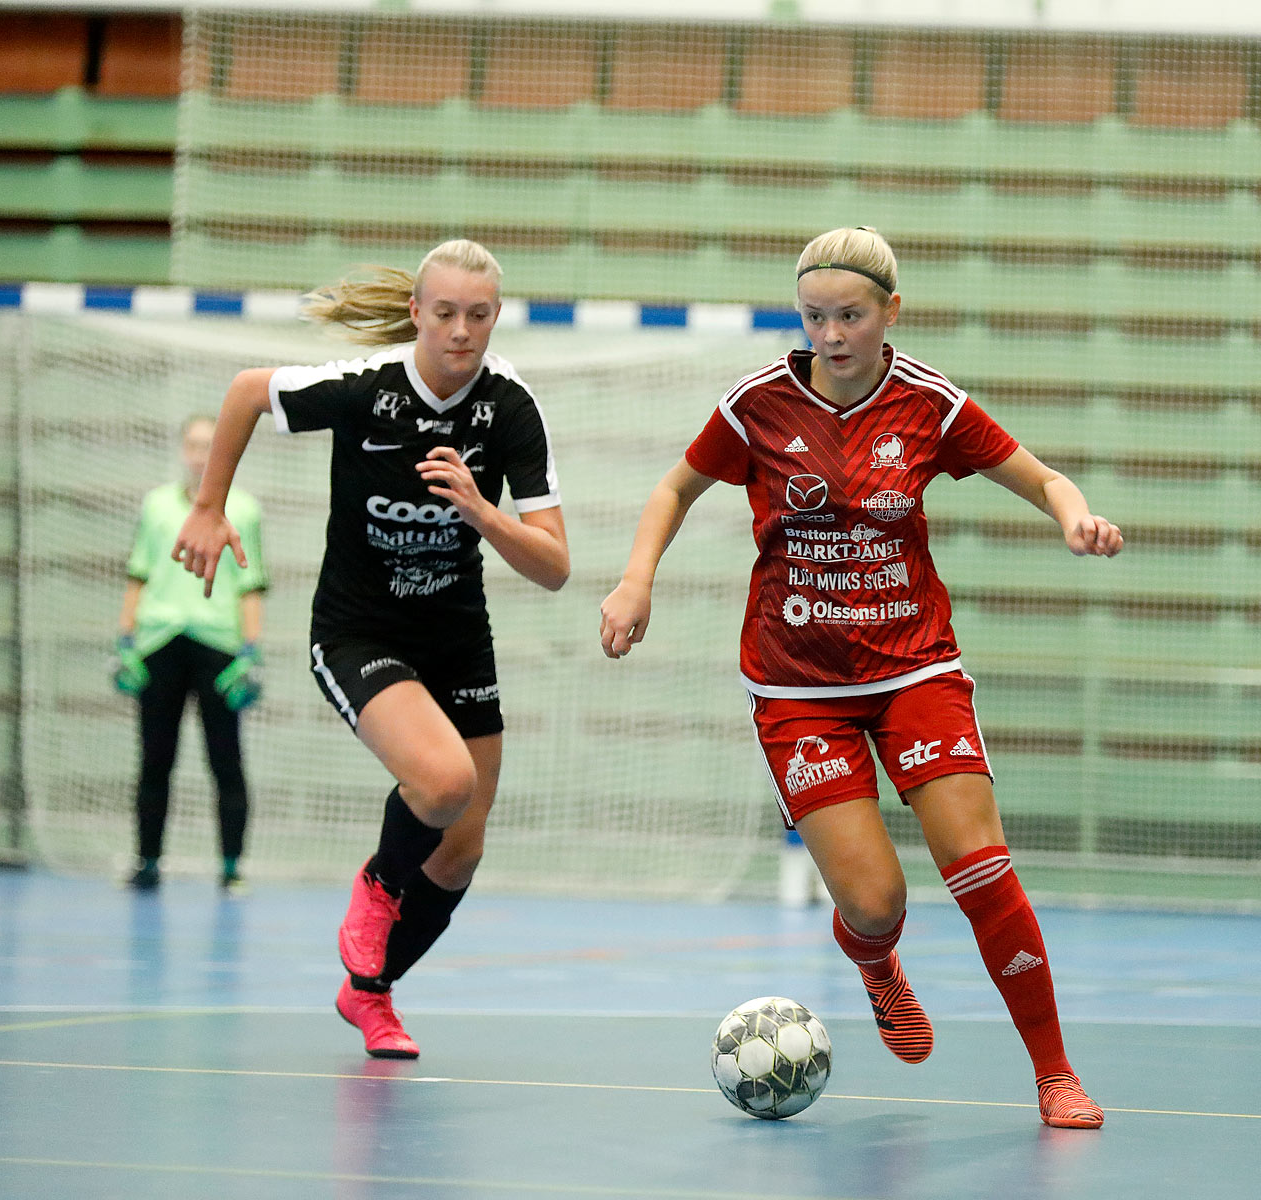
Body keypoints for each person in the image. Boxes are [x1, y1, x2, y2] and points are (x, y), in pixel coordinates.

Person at [600, 227, 1121, 1129]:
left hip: (914, 667)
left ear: (890, 313)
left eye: (850, 315)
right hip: (797, 687)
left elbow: (1043, 481)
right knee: (878, 904)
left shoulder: (930, 404)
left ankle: (1054, 1074)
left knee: (982, 868)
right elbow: (675, 489)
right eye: (815, 316)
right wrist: (636, 576)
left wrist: (1076, 519)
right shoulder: (756, 404)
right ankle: (873, 958)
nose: (832, 334)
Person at [172, 239, 570, 1059]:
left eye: (480, 315)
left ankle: (370, 996)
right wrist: (210, 506)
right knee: (443, 781)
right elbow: (249, 392)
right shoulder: (367, 390)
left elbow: (555, 567)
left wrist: (481, 512)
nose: (462, 331)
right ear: (418, 312)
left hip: (457, 635)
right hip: (358, 630)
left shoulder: (511, 407)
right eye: (447, 312)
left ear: (497, 316)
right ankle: (378, 887)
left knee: (462, 849)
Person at [115, 414, 266, 893]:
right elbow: (139, 571)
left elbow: (250, 583)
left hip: (218, 645)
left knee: (226, 759)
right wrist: (125, 642)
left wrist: (251, 651)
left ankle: (231, 865)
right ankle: (147, 861)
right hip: (159, 641)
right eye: (194, 445)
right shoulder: (156, 505)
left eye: (210, 445)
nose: (201, 454)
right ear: (183, 449)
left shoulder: (242, 509)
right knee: (155, 758)